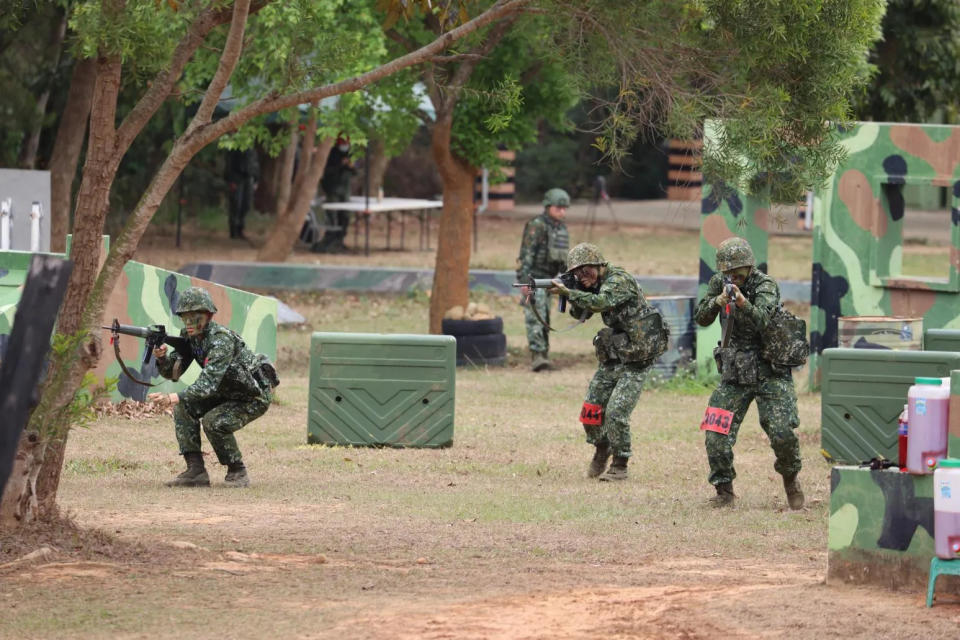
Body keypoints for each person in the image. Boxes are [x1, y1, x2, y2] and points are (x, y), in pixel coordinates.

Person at [694, 237, 804, 509]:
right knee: (715, 433)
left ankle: (791, 479)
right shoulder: (719, 284)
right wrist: (717, 302)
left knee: (782, 433)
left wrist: (742, 303)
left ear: (749, 267)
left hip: (771, 371)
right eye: (727, 273)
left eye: (738, 272)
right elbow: (701, 318)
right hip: (736, 372)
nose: (733, 278)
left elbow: (764, 321)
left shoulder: (765, 285)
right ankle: (723, 491)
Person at [551, 243, 667, 481]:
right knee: (590, 409)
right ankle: (602, 447)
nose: (583, 277)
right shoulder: (594, 285)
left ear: (598, 265)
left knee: (616, 413)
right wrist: (573, 293)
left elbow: (602, 303)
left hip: (638, 355)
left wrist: (569, 292)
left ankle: (620, 464)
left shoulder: (618, 280)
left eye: (586, 272)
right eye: (577, 274)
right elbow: (580, 315)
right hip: (616, 353)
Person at [148, 287, 278, 488]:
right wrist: (162, 357)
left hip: (252, 396)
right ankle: (195, 471)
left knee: (214, 421)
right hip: (225, 390)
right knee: (184, 407)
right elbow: (174, 372)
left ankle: (237, 471)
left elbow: (208, 382)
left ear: (208, 316)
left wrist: (173, 397)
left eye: (194, 317)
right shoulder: (190, 337)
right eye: (185, 318)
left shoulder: (221, 340)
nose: (189, 323)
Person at [516, 187, 571, 371]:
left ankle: (544, 354)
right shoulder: (537, 225)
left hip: (549, 280)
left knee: (545, 317)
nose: (562, 211)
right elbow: (526, 254)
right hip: (534, 278)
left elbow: (564, 259)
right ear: (548, 206)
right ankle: (537, 356)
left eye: (564, 208)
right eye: (558, 208)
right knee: (534, 316)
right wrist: (525, 281)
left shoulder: (561, 228)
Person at [312, 136, 357, 254]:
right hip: (333, 189)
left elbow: (355, 172)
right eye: (343, 143)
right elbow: (327, 172)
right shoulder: (332, 153)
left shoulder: (351, 153)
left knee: (346, 215)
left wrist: (351, 167)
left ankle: (340, 239)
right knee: (332, 215)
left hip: (345, 190)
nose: (345, 145)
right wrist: (341, 165)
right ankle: (329, 239)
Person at [224, 148, 260, 240]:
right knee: (236, 204)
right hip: (237, 178)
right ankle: (234, 230)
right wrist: (231, 180)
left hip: (249, 178)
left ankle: (240, 229)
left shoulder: (252, 149)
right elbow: (229, 164)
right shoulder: (234, 146)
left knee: (246, 204)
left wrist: (256, 179)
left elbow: (255, 164)